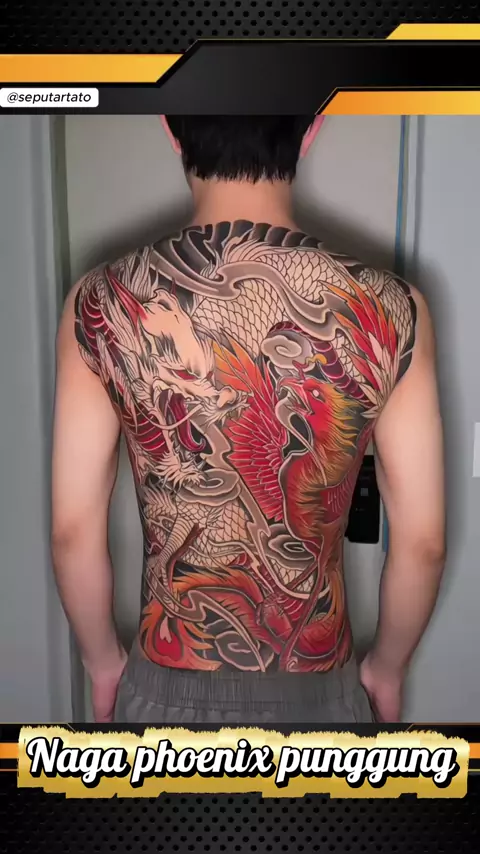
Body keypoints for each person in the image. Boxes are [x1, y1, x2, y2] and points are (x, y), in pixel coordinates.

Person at [51, 116, 445, 725]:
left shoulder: (97, 301)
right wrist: (388, 669)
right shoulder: (394, 307)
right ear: (311, 128)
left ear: (171, 127)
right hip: (320, 695)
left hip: (164, 687)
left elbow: (72, 530)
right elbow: (423, 544)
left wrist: (101, 661)